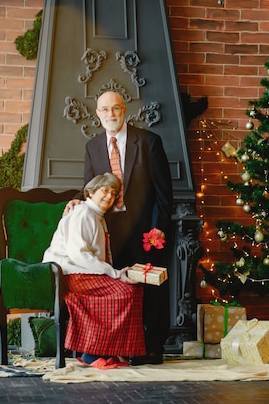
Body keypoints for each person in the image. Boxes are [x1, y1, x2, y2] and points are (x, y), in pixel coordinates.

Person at [65, 90, 174, 365]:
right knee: (118, 287)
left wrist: (158, 226)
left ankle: (152, 347)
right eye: (104, 110)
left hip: (144, 228)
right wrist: (76, 202)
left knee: (150, 286)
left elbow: (164, 193)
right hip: (108, 228)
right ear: (98, 114)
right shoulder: (92, 146)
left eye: (115, 109)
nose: (110, 114)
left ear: (124, 111)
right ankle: (123, 347)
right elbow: (89, 187)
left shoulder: (149, 142)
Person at [43, 173, 146, 369]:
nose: (109, 196)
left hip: (82, 272)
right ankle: (91, 354)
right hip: (68, 273)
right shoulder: (82, 214)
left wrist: (114, 273)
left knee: (131, 290)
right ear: (91, 192)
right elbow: (78, 255)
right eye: (105, 191)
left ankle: (103, 352)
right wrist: (114, 273)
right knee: (125, 292)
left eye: (113, 193)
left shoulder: (97, 216)